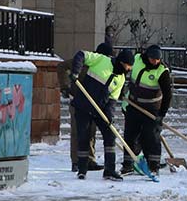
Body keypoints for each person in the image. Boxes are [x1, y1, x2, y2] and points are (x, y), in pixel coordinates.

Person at [69, 44, 132, 180]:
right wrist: (75, 72)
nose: (129, 69)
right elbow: (81, 54)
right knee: (83, 137)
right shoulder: (101, 60)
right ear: (122, 63)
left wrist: (109, 118)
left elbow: (112, 101)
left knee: (110, 135)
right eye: (128, 66)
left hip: (100, 110)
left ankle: (109, 170)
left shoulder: (120, 79)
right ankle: (82, 169)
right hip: (83, 105)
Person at [122, 45, 171, 175]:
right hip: (133, 105)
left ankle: (154, 166)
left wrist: (162, 114)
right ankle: (128, 164)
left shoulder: (162, 71)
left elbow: (168, 94)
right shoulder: (137, 59)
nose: (155, 62)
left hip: (152, 109)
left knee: (151, 136)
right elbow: (124, 71)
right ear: (147, 56)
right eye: (153, 59)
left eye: (157, 59)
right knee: (130, 135)